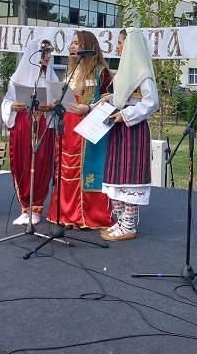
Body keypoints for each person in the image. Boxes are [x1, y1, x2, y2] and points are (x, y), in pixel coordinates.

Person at [46, 30, 114, 229]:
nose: (73, 47)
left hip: (88, 128)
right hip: (67, 126)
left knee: (84, 169)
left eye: (77, 43)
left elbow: (110, 99)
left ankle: (85, 216)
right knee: (65, 168)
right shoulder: (70, 71)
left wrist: (90, 107)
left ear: (88, 46)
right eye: (72, 43)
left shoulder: (102, 71)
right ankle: (67, 215)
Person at [98, 28, 159, 241]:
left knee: (130, 177)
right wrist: (110, 98)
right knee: (117, 176)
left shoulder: (142, 72)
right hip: (119, 129)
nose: (117, 46)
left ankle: (129, 226)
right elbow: (126, 97)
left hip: (134, 130)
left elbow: (151, 102)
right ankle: (121, 222)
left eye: (121, 42)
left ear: (130, 45)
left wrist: (125, 114)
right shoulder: (125, 72)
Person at [1, 39, 57, 226]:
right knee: (22, 161)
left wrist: (51, 106)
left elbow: (59, 102)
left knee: (40, 163)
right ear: (34, 54)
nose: (48, 56)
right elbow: (7, 101)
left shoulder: (52, 79)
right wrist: (12, 106)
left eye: (50, 52)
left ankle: (36, 207)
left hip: (42, 125)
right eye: (44, 52)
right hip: (22, 125)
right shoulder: (17, 78)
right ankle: (24, 207)